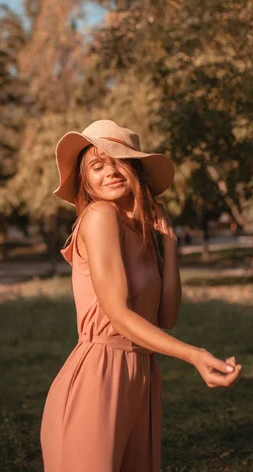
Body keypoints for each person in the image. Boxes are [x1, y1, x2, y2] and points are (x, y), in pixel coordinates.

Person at [40, 119, 242, 472]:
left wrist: (171, 245)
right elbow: (118, 315)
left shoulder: (140, 229)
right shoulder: (100, 216)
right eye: (97, 166)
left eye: (119, 160)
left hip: (141, 374)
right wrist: (194, 355)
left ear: (136, 168)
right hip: (99, 375)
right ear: (85, 180)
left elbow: (166, 318)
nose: (110, 172)